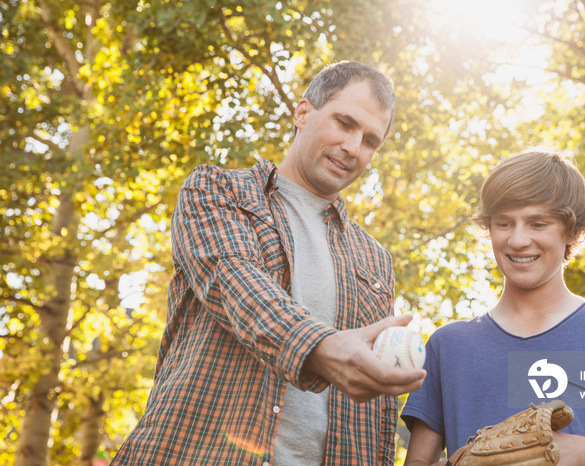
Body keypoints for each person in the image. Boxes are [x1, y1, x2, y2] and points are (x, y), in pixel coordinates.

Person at [111, 60, 426, 466]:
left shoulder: (374, 259)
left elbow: (369, 409)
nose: (353, 147)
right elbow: (238, 286)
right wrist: (321, 347)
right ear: (303, 113)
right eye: (344, 123)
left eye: (369, 140)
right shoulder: (218, 190)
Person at [401, 149, 585, 466]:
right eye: (504, 223)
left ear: (574, 232)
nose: (518, 239)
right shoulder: (447, 346)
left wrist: (583, 453)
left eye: (538, 223)